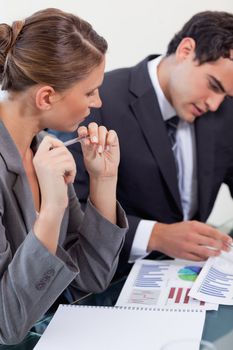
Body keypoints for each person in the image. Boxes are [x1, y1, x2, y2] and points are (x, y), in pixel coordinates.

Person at [68, 11, 233, 276]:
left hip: (194, 274)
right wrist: (154, 235)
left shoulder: (223, 109)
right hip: (113, 278)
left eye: (226, 94)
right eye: (213, 85)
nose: (215, 103)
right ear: (186, 50)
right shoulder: (98, 102)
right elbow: (72, 207)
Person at [0, 8, 128, 345]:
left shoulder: (44, 148)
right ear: (46, 96)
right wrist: (53, 208)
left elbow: (91, 277)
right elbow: (6, 324)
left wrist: (103, 180)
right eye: (89, 92)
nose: (97, 102)